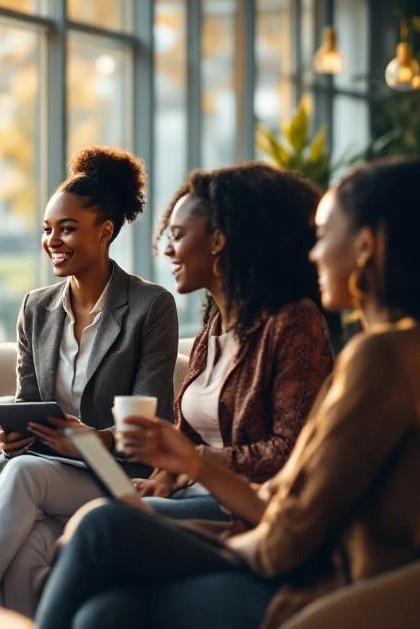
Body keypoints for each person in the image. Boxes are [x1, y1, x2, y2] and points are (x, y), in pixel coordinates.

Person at [6, 157, 420, 629]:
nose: (313, 253)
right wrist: (186, 479)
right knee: (105, 614)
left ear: (366, 246)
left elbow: (289, 535)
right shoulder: (416, 352)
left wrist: (207, 530)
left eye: (324, 235)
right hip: (326, 579)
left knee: (103, 534)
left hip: (329, 604)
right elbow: (292, 509)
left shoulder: (381, 358)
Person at [0, 146, 178, 616]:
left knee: (23, 476)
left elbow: (148, 425)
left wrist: (90, 440)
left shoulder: (150, 307)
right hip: (45, 469)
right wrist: (14, 435)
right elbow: (30, 402)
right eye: (47, 229)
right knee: (28, 543)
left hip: (116, 471)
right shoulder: (37, 307)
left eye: (68, 229)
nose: (53, 240)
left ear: (105, 232)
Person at [132, 162, 334, 519]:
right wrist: (164, 478)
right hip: (197, 493)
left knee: (104, 523)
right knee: (80, 525)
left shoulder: (294, 323)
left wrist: (195, 462)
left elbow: (290, 452)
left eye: (177, 235)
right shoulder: (213, 328)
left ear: (217, 240)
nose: (168, 250)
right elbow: (191, 437)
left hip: (249, 506)